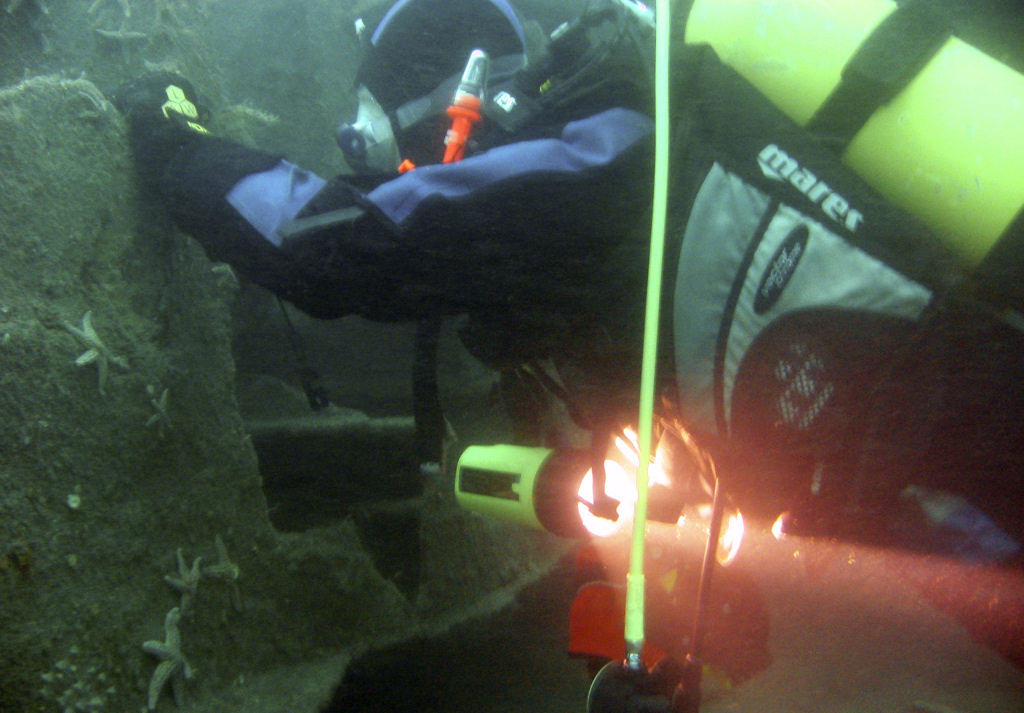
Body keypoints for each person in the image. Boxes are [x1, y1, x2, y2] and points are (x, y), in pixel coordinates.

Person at [114, 0, 1024, 557]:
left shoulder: (590, 153)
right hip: (918, 446)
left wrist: (170, 139)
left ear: (451, 101)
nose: (399, 171)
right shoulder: (630, 140)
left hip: (948, 435)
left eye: (376, 138)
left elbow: (332, 245)